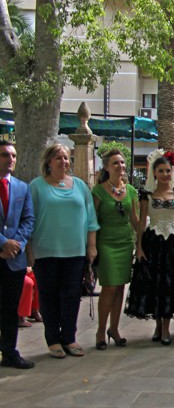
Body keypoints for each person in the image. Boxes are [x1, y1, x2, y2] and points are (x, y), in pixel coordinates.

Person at [29, 143, 99, 359]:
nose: (64, 162)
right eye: (58, 158)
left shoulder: (79, 186)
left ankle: (69, 337)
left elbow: (91, 220)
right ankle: (53, 340)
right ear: (48, 162)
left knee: (71, 296)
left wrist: (91, 246)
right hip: (45, 252)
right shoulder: (37, 186)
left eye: (67, 158)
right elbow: (29, 221)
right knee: (49, 297)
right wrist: (29, 252)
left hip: (75, 252)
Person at [127, 150, 174, 346]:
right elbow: (141, 223)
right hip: (153, 242)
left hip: (173, 241)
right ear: (154, 173)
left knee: (170, 285)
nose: (165, 174)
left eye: (168, 170)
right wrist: (138, 247)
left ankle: (166, 328)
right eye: (161, 171)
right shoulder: (146, 195)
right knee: (155, 284)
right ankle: (157, 325)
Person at [91, 149, 138, 350]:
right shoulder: (99, 191)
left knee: (120, 286)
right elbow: (92, 220)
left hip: (125, 242)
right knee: (109, 286)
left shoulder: (131, 191)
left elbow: (135, 220)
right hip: (106, 242)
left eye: (122, 162)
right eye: (115, 163)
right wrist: (92, 246)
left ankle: (115, 329)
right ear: (107, 167)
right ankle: (101, 330)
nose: (120, 166)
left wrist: (142, 242)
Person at [0, 140, 35, 369]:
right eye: (5, 155)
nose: (10, 159)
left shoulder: (22, 188)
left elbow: (28, 219)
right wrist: (2, 242)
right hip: (3, 249)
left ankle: (9, 351)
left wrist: (17, 244)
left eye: (13, 155)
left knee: (10, 309)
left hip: (14, 259)